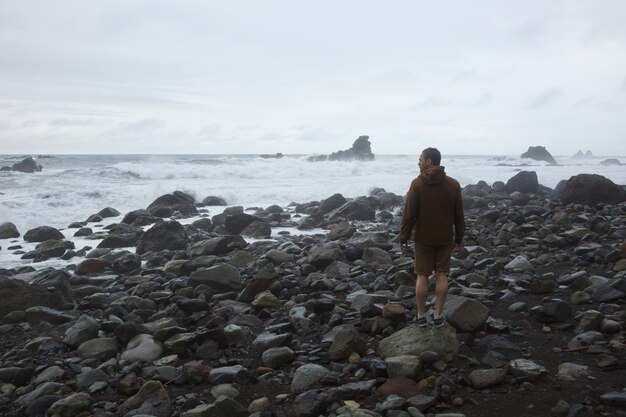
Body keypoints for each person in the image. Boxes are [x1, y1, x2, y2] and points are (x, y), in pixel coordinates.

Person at [399, 147, 465, 328]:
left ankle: (420, 316)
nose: (418, 162)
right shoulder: (453, 184)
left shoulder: (417, 184)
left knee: (422, 276)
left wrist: (403, 237)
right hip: (444, 238)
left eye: (420, 159)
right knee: (442, 275)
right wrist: (459, 238)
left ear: (429, 161)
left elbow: (409, 215)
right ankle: (437, 316)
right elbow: (459, 215)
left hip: (423, 239)